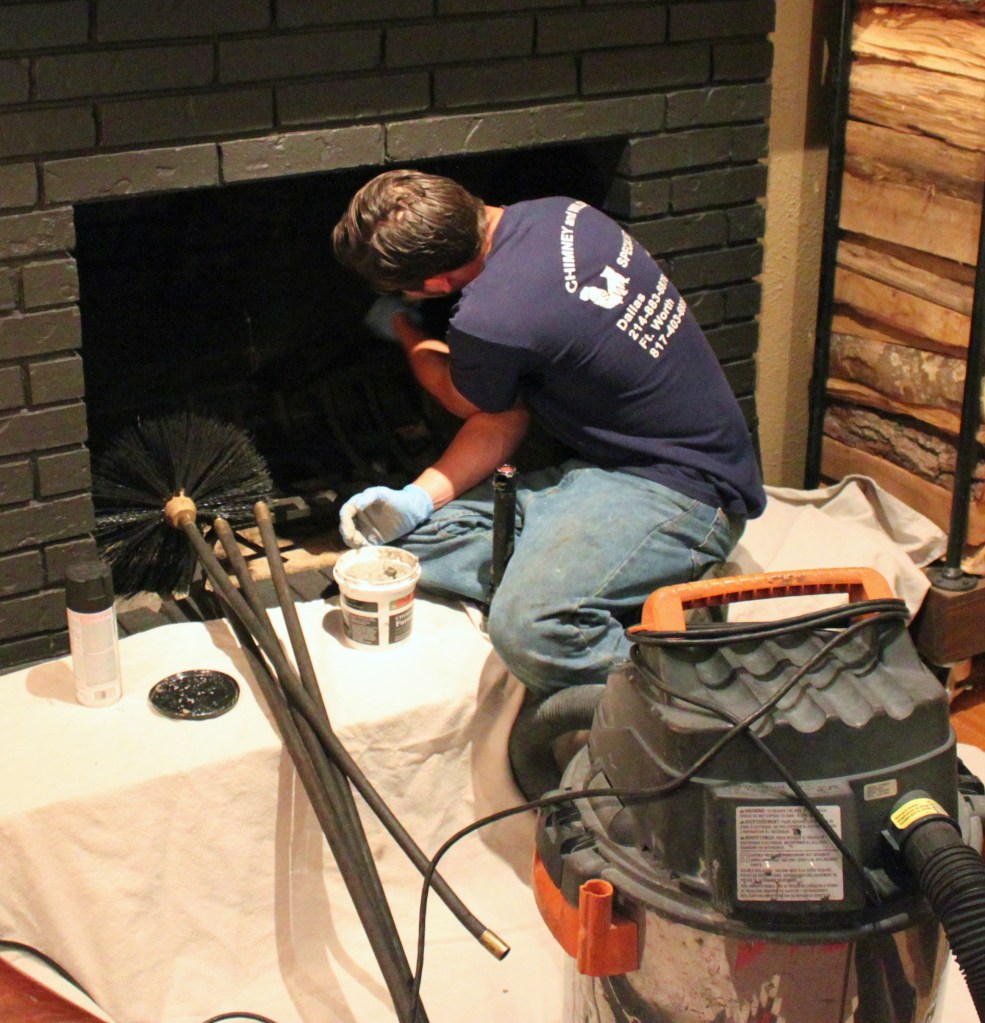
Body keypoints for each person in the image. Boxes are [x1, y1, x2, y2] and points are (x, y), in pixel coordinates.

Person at [332, 169, 766, 695]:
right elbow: (506, 416)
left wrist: (405, 329)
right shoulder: (564, 211)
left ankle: (716, 688)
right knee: (402, 549)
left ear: (437, 285)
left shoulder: (492, 318)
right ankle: (614, 577)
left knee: (529, 630)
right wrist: (416, 501)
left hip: (684, 490)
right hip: (603, 471)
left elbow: (463, 399)